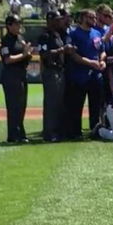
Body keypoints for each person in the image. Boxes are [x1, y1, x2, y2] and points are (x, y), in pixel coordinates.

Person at [65, 9, 106, 140]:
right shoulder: (74, 34)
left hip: (96, 76)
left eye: (94, 17)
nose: (94, 19)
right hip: (80, 76)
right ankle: (75, 132)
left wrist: (102, 61)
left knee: (96, 105)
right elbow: (73, 55)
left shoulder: (96, 33)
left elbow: (102, 50)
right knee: (77, 106)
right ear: (82, 18)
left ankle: (95, 130)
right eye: (90, 17)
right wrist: (89, 62)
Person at [0, 15, 32, 143]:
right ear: (9, 25)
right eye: (17, 24)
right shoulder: (6, 40)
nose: (19, 26)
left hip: (21, 73)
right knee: (14, 106)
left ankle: (20, 133)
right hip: (11, 75)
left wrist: (27, 54)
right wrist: (23, 54)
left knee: (21, 105)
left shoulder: (20, 38)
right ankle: (13, 135)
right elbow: (7, 59)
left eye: (20, 23)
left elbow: (24, 55)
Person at [38, 10, 68, 142]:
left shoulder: (58, 35)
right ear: (50, 21)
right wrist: (62, 50)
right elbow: (43, 54)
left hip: (60, 70)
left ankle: (58, 131)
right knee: (51, 103)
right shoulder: (45, 36)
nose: (60, 21)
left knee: (59, 103)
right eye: (57, 19)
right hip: (51, 70)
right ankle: (50, 133)